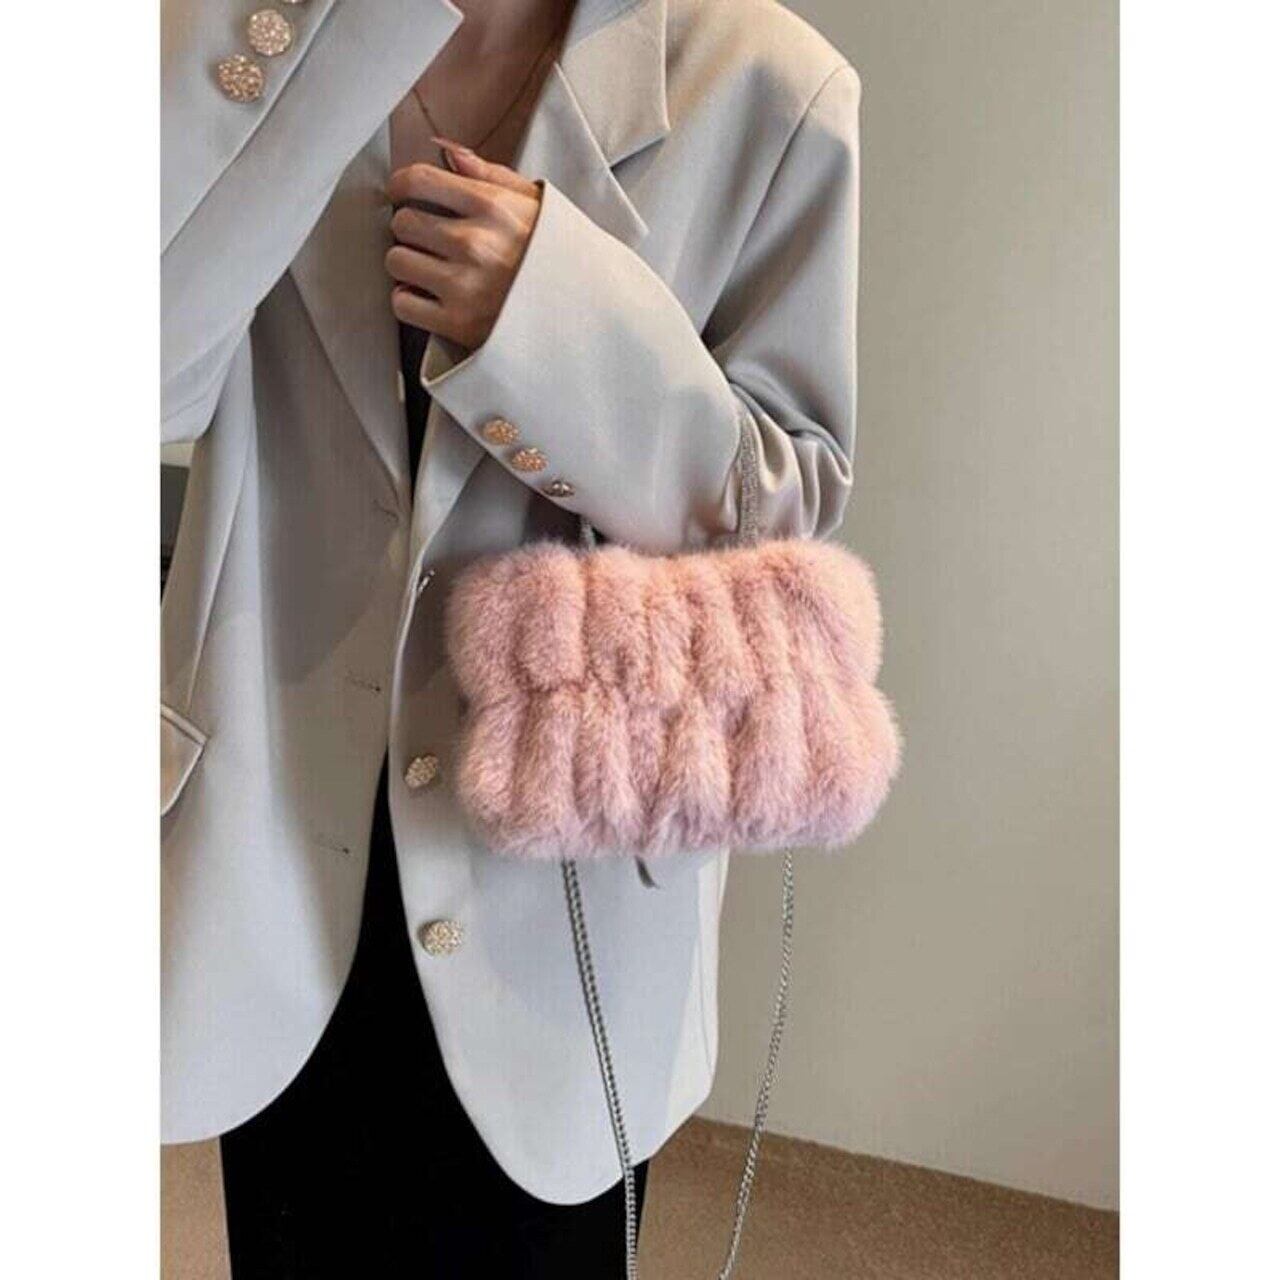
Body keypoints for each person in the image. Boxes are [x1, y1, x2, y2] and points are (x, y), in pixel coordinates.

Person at [161, 0, 860, 1273]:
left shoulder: (765, 79)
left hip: (566, 862)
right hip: (276, 827)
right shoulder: (249, 36)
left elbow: (784, 501)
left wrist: (550, 321)